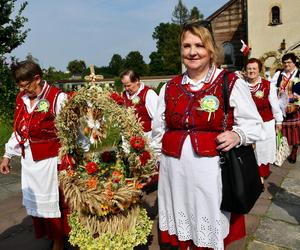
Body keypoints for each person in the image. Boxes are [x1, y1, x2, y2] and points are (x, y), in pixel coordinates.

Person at [151, 20, 265, 250]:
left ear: (210, 49)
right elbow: (158, 130)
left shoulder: (229, 82)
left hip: (210, 176)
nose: (192, 52)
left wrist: (236, 135)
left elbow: (256, 125)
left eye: (199, 45)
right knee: (183, 234)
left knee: (206, 234)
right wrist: (155, 156)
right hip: (174, 175)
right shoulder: (170, 87)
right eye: (186, 46)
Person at [0, 60, 69, 250]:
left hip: (50, 160)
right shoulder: (21, 98)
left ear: (37, 78)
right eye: (19, 86)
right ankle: (48, 235)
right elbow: (19, 130)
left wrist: (72, 157)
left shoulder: (57, 98)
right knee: (37, 203)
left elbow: (72, 131)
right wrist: (7, 155)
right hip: (29, 161)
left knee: (54, 203)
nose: (22, 90)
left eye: (25, 85)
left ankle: (58, 241)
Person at [245, 58, 283, 183]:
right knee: (250, 150)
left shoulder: (268, 85)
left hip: (265, 124)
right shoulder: (241, 85)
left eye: (254, 68)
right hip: (248, 124)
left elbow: (275, 105)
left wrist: (279, 121)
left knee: (262, 150)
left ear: (259, 69)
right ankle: (251, 174)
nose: (251, 71)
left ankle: (261, 176)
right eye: (249, 68)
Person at [271, 53, 300, 163]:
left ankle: (294, 151)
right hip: (281, 106)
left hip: (296, 106)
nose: (286, 64)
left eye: (289, 62)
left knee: (296, 132)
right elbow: (272, 88)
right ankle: (282, 150)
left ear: (294, 63)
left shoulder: (298, 74)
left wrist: (295, 104)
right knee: (282, 132)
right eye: (285, 62)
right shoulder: (279, 74)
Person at [120, 69, 158, 139]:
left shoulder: (149, 94)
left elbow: (158, 119)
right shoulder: (124, 95)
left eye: (128, 85)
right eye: (124, 86)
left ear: (137, 81)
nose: (126, 88)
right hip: (128, 138)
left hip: (147, 138)